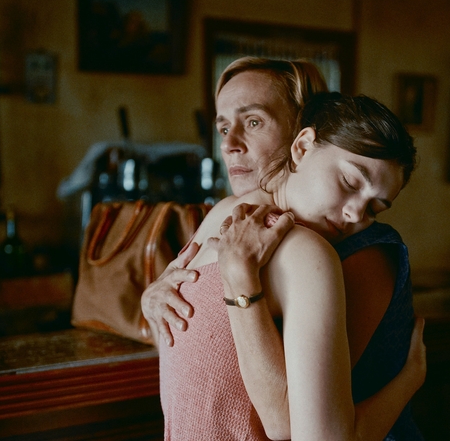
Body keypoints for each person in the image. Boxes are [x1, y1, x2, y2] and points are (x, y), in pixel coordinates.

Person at [142, 57, 423, 439]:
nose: (229, 144)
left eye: (254, 121)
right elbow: (185, 347)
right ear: (303, 147)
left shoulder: (336, 252)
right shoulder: (228, 218)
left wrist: (240, 283)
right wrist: (151, 299)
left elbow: (296, 426)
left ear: (299, 136)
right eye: (223, 126)